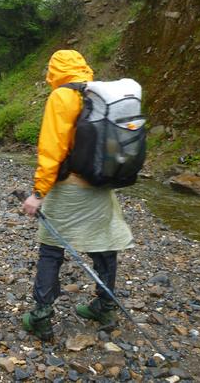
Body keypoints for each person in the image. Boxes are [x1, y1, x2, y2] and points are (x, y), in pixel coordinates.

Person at [21, 49, 134, 341]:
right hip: (101, 184)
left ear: (56, 70)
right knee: (105, 247)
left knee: (51, 250)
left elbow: (52, 149)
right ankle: (105, 307)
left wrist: (38, 193)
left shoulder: (62, 96)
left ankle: (41, 316)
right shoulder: (99, 94)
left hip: (69, 186)